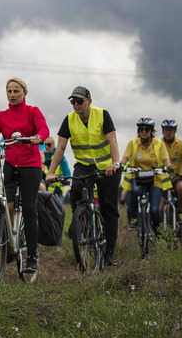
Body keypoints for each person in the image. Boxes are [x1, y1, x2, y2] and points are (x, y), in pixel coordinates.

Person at [0, 78, 48, 272]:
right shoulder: (2, 115)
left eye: (16, 91)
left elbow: (43, 128)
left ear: (24, 93)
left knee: (30, 209)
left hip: (30, 164)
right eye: (9, 91)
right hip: (9, 161)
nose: (13, 94)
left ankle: (32, 256)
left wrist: (38, 137)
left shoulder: (33, 111)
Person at [46, 86, 122, 265]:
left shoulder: (103, 115)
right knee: (76, 192)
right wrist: (50, 172)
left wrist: (115, 164)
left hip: (106, 167)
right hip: (84, 166)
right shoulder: (69, 119)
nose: (76, 104)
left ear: (89, 101)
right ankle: (81, 219)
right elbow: (61, 148)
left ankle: (110, 251)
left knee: (109, 208)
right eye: (73, 101)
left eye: (79, 101)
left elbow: (113, 141)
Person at [119, 118, 173, 235]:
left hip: (155, 179)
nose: (144, 131)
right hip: (137, 177)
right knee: (135, 191)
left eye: (147, 129)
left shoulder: (159, 144)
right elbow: (125, 157)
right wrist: (122, 165)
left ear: (151, 131)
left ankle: (160, 235)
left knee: (154, 209)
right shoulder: (133, 143)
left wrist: (168, 166)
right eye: (141, 129)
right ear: (138, 130)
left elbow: (165, 159)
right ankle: (133, 218)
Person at [160, 119, 182, 232]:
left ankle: (180, 211)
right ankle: (160, 230)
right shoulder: (158, 143)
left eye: (170, 130)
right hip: (162, 179)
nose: (168, 132)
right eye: (166, 130)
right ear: (162, 131)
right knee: (159, 207)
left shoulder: (181, 144)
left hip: (177, 177)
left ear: (175, 131)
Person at [42, 137, 71, 205]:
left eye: (49, 144)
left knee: (58, 212)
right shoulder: (41, 156)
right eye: (44, 144)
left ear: (53, 145)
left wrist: (68, 178)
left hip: (57, 190)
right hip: (44, 190)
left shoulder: (59, 156)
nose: (46, 146)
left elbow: (66, 170)